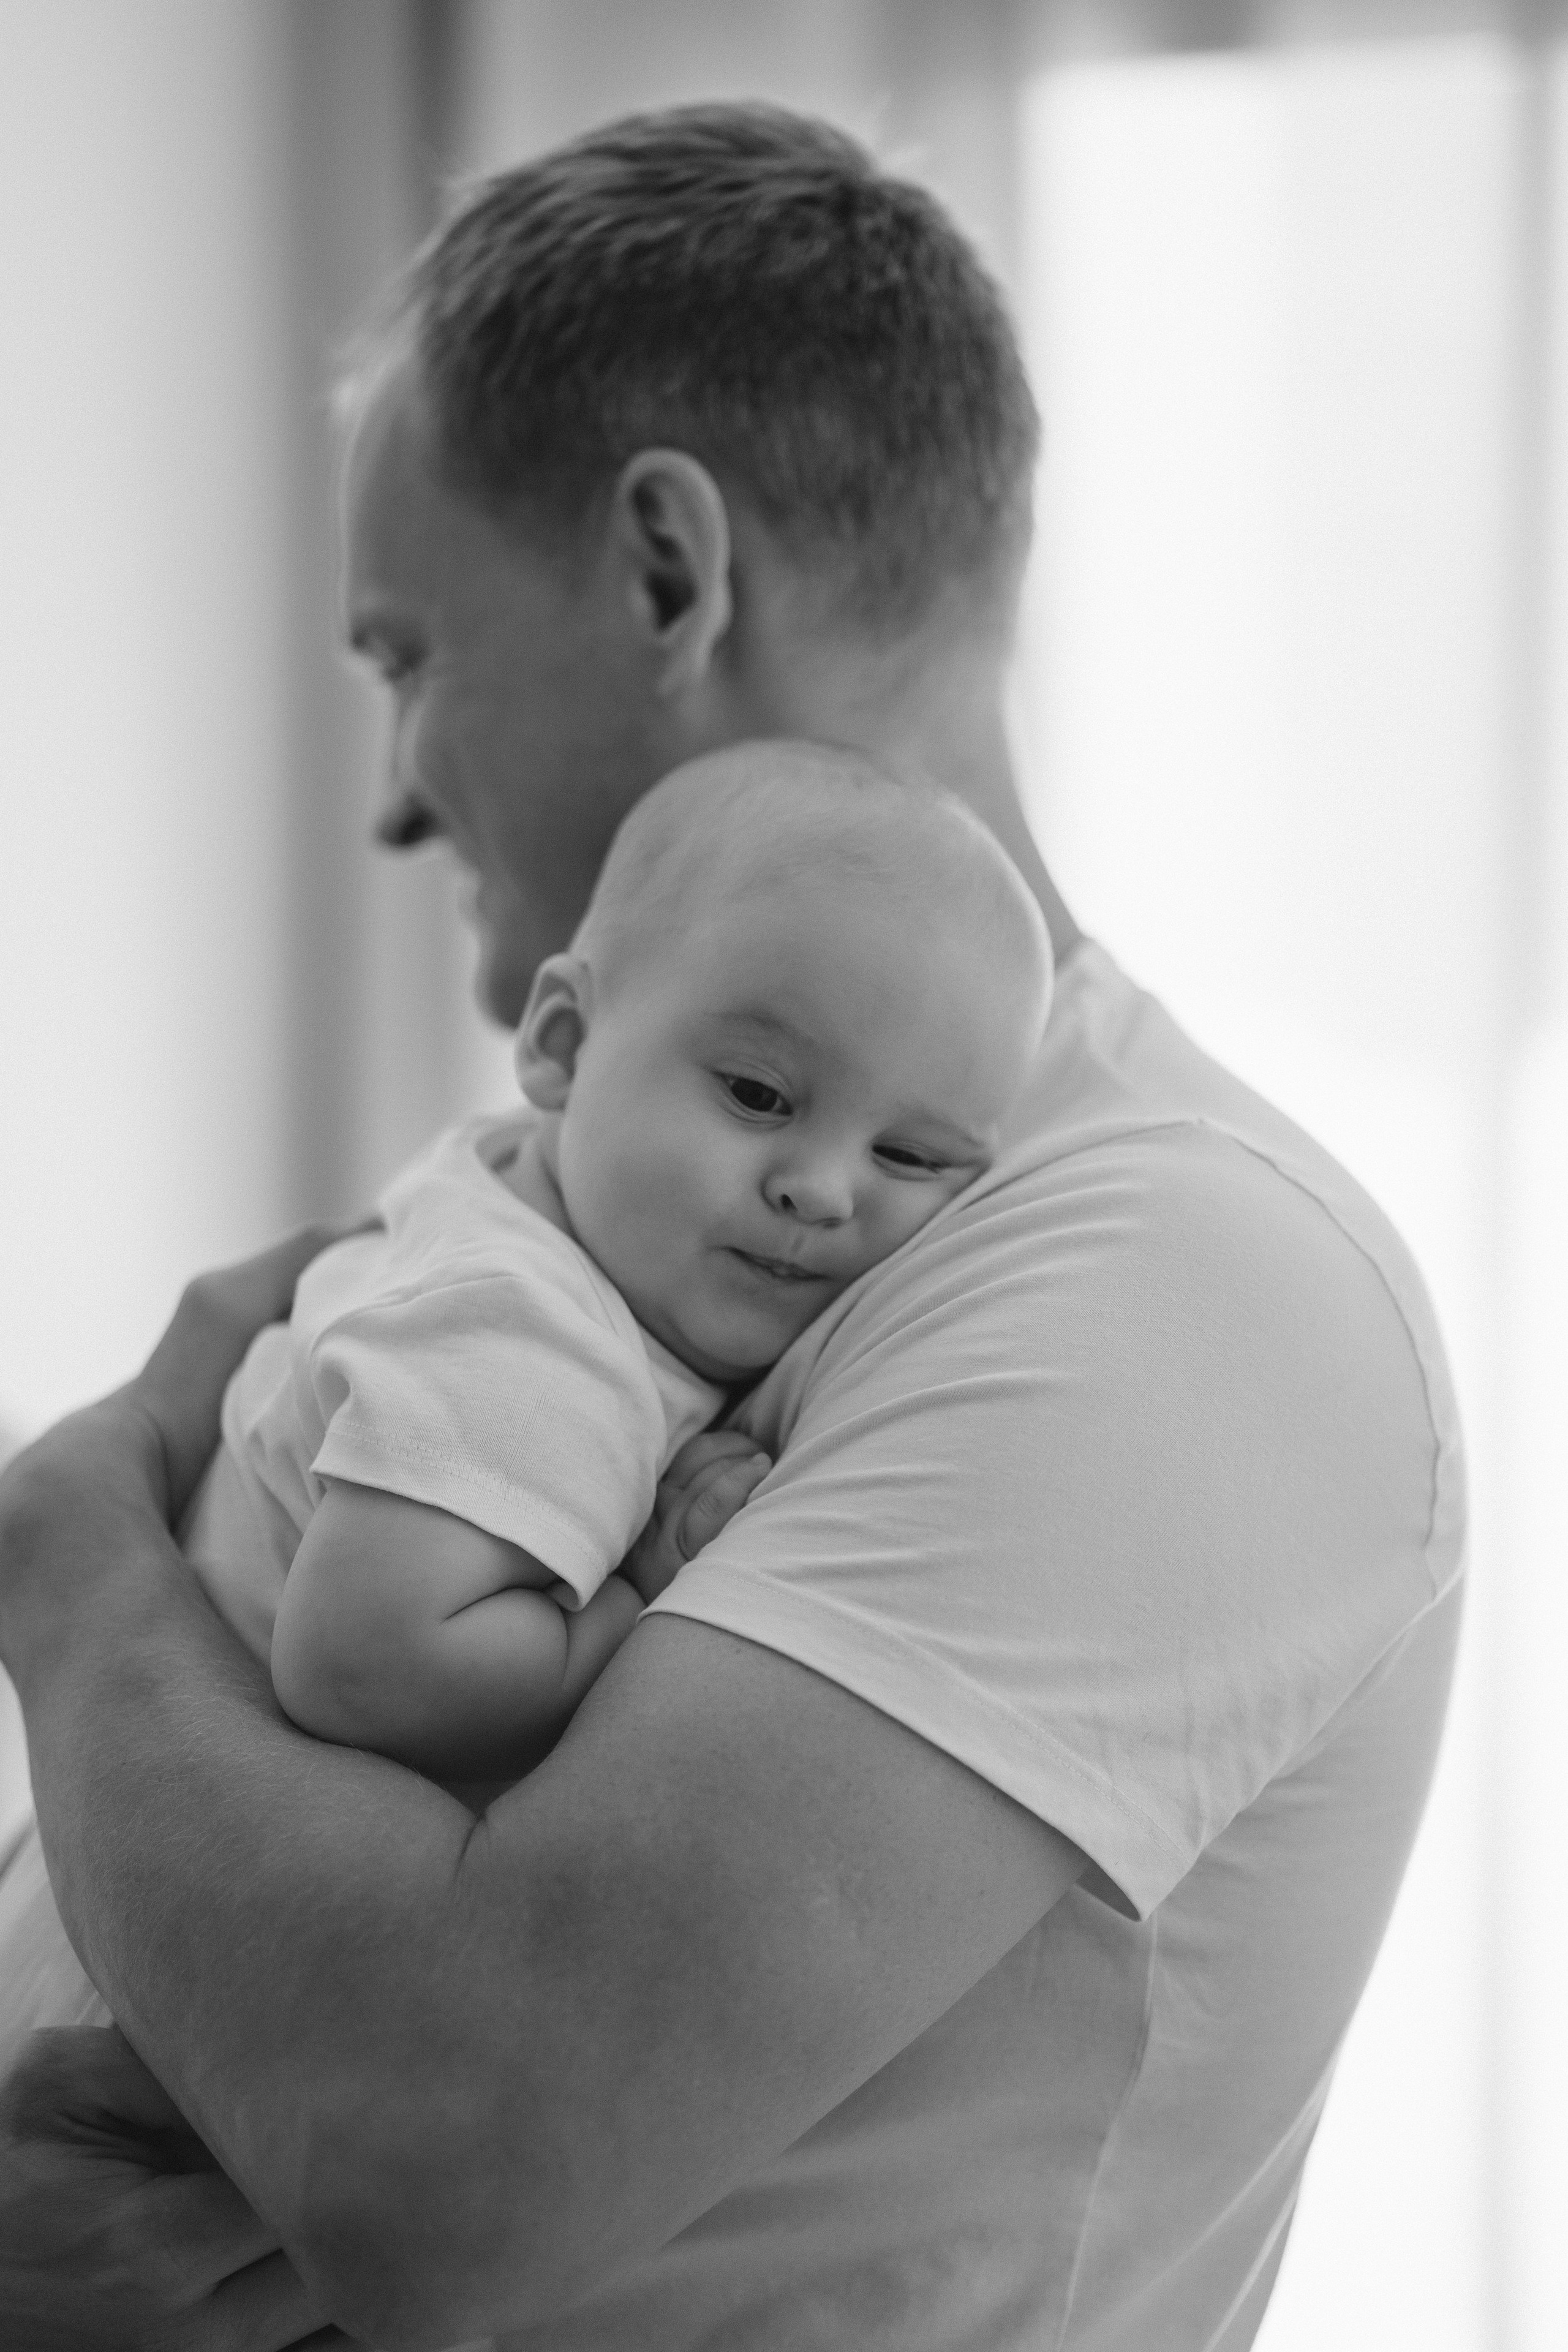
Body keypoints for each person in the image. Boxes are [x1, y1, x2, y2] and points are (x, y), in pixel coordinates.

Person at [0, 103, 1463, 2352]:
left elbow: (438, 2154)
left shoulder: (1171, 1284)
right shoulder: (640, 1225)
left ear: (668, 576)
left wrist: (68, 1555)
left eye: (407, 654)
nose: (396, 787)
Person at [0, 737, 1053, 2061]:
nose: (822, 1187)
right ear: (560, 1042)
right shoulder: (531, 1338)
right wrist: (649, 1589)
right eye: (756, 1094)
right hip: (142, 1988)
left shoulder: (512, 1196)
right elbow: (372, 1660)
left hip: (126, 1882)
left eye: (910, 1154)